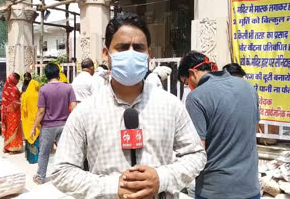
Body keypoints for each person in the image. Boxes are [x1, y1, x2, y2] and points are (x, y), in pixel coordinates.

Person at [51, 13, 206, 198]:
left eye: (138, 48)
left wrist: (162, 178)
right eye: (122, 47)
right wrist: (112, 186)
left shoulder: (171, 105)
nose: (131, 53)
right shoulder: (85, 111)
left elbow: (196, 155)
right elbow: (61, 170)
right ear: (105, 53)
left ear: (148, 54)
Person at [178, 51, 260, 199]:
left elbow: (197, 150)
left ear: (192, 73)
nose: (188, 86)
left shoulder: (196, 97)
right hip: (250, 188)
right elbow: (252, 131)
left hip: (215, 190)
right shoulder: (248, 88)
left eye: (185, 82)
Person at [30, 63, 77, 184]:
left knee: (44, 153)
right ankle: (66, 177)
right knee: (64, 153)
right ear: (58, 74)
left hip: (47, 126)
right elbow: (74, 107)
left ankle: (40, 177)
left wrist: (34, 127)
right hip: (64, 125)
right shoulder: (68, 88)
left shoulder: (43, 89)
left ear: (46, 75)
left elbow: (41, 111)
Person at [1, 73, 23, 153]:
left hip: (5, 112)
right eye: (17, 80)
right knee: (14, 129)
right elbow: (15, 102)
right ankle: (13, 148)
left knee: (8, 129)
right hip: (13, 112)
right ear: (15, 80)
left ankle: (6, 147)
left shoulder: (5, 88)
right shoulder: (14, 89)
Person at [21, 79, 41, 164]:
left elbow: (23, 108)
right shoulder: (39, 95)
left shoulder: (25, 95)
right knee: (37, 138)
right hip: (37, 120)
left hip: (28, 121)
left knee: (29, 137)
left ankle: (29, 157)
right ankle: (36, 158)